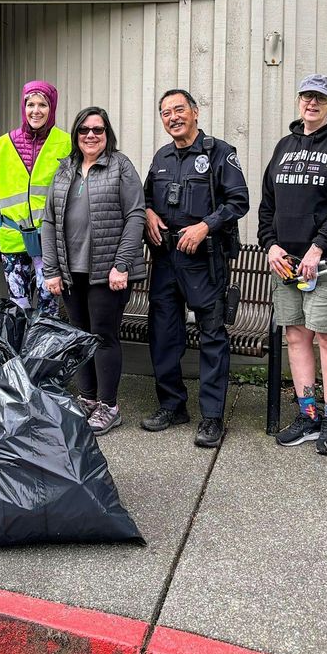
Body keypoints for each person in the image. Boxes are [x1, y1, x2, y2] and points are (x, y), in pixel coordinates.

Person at [259, 75, 327, 455]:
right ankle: (308, 415)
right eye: (306, 96)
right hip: (286, 263)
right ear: (298, 100)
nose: (312, 103)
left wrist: (319, 247)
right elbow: (267, 204)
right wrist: (270, 246)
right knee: (296, 336)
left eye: (320, 98)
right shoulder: (284, 146)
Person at [142, 89, 250, 448]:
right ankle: (172, 406)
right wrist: (149, 213)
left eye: (179, 109)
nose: (173, 117)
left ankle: (212, 417)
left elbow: (239, 200)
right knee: (163, 333)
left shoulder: (219, 153)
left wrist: (206, 225)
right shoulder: (161, 157)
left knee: (212, 335)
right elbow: (144, 199)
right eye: (165, 112)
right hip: (165, 258)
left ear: (195, 112)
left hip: (204, 259)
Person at [42, 106, 146, 435]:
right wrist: (51, 269)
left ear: (107, 134)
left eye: (98, 130)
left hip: (107, 271)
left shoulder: (120, 166)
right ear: (76, 134)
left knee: (103, 336)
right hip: (71, 272)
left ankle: (109, 405)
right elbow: (48, 221)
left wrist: (122, 264)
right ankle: (86, 400)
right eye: (84, 129)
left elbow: (136, 216)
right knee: (79, 336)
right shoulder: (64, 169)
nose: (90, 135)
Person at [0, 81, 71, 317]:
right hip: (13, 240)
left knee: (49, 311)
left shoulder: (67, 144)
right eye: (30, 104)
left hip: (50, 243)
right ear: (22, 107)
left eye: (42, 104)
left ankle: (42, 354)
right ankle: (18, 354)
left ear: (52, 107)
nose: (36, 110)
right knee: (18, 310)